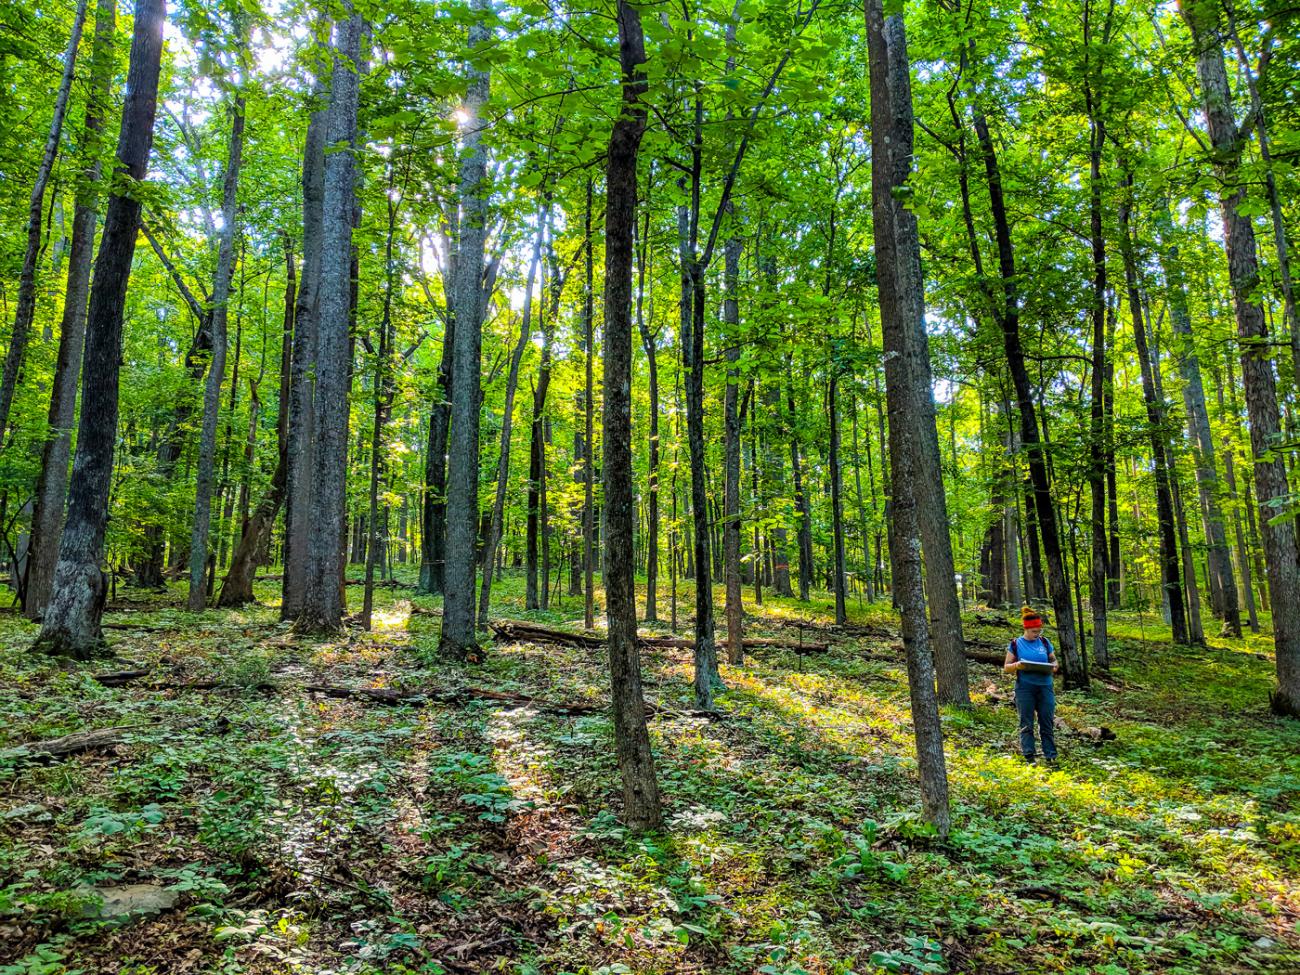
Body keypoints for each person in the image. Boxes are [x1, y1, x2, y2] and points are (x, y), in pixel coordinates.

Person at [1004, 606, 1059, 764]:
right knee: (1026, 721)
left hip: (1045, 686)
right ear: (1026, 629)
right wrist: (1017, 665)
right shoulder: (1016, 644)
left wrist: (1054, 665)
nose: (1037, 634)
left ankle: (1050, 755)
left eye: (1039, 631)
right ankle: (1029, 755)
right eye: (1034, 631)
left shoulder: (1044, 642)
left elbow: (1053, 660)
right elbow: (1006, 667)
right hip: (1025, 688)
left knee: (1046, 720)